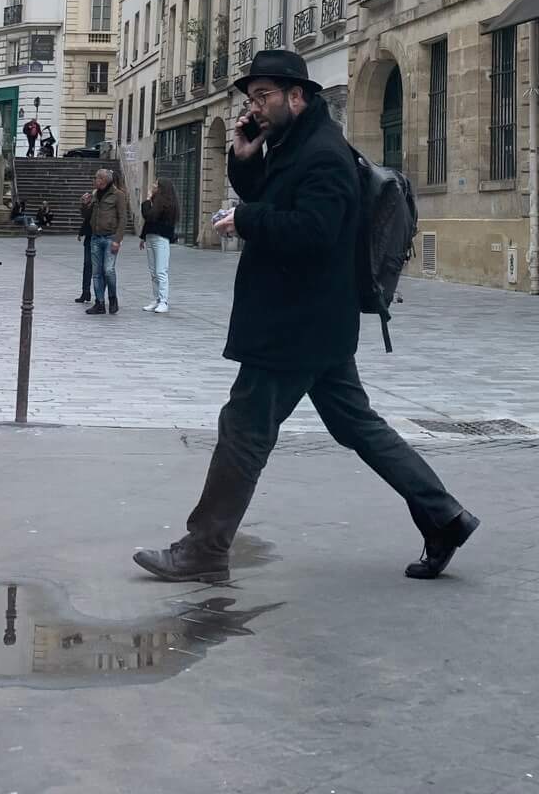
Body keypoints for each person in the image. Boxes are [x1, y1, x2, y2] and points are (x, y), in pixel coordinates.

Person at [132, 50, 478, 586]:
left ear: (298, 96)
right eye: (251, 100)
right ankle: (445, 516)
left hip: (293, 324)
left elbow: (314, 232)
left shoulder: (324, 156)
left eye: (264, 97)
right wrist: (245, 158)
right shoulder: (296, 145)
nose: (256, 108)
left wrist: (245, 219)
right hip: (316, 324)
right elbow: (273, 199)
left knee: (243, 430)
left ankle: (204, 548)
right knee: (358, 426)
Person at [83, 168, 130, 316]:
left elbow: (123, 218)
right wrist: (85, 204)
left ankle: (112, 298)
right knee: (96, 273)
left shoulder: (118, 195)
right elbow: (86, 216)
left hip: (110, 238)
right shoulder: (95, 194)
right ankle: (100, 303)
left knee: (108, 270)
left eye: (97, 178)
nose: (95, 180)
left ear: (105, 180)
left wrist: (118, 239)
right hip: (96, 238)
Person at [139, 179, 180, 313]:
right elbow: (148, 223)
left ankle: (164, 301)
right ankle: (156, 299)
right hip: (151, 236)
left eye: (156, 184)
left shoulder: (165, 204)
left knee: (161, 271)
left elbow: (149, 216)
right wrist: (143, 237)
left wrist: (146, 200)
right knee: (153, 271)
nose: (153, 186)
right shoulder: (156, 201)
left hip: (161, 238)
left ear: (162, 188)